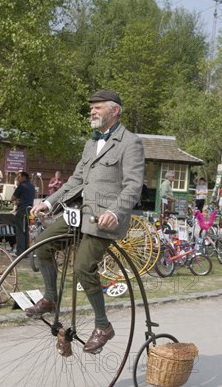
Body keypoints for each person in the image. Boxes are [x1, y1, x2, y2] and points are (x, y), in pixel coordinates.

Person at [25, 89, 145, 354]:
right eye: (91, 107)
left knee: (82, 267)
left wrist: (115, 211)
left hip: (104, 220)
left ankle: (103, 326)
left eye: (98, 107)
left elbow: (133, 186)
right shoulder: (91, 143)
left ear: (115, 111)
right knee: (41, 245)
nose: (92, 111)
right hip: (79, 212)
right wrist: (49, 202)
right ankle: (50, 298)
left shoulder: (131, 143)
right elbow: (76, 180)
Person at [11, 171, 36, 256]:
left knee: (20, 230)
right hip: (30, 210)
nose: (18, 179)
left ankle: (19, 251)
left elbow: (12, 198)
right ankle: (26, 251)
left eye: (19, 177)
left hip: (22, 209)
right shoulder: (32, 186)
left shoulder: (21, 186)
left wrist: (17, 201)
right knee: (27, 231)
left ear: (24, 177)